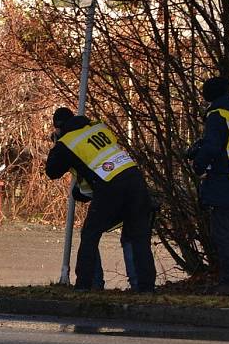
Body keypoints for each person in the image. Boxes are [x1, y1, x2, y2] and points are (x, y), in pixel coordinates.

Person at [46, 107, 156, 293]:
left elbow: (52, 171)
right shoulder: (98, 127)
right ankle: (145, 288)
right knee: (138, 235)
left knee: (90, 234)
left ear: (58, 127)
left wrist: (56, 145)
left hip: (110, 187)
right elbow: (98, 165)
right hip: (134, 179)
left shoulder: (67, 143)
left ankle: (86, 286)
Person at [188, 76, 229, 295]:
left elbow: (214, 147)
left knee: (222, 232)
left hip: (224, 179)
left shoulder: (218, 115)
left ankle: (228, 282)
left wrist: (198, 163)